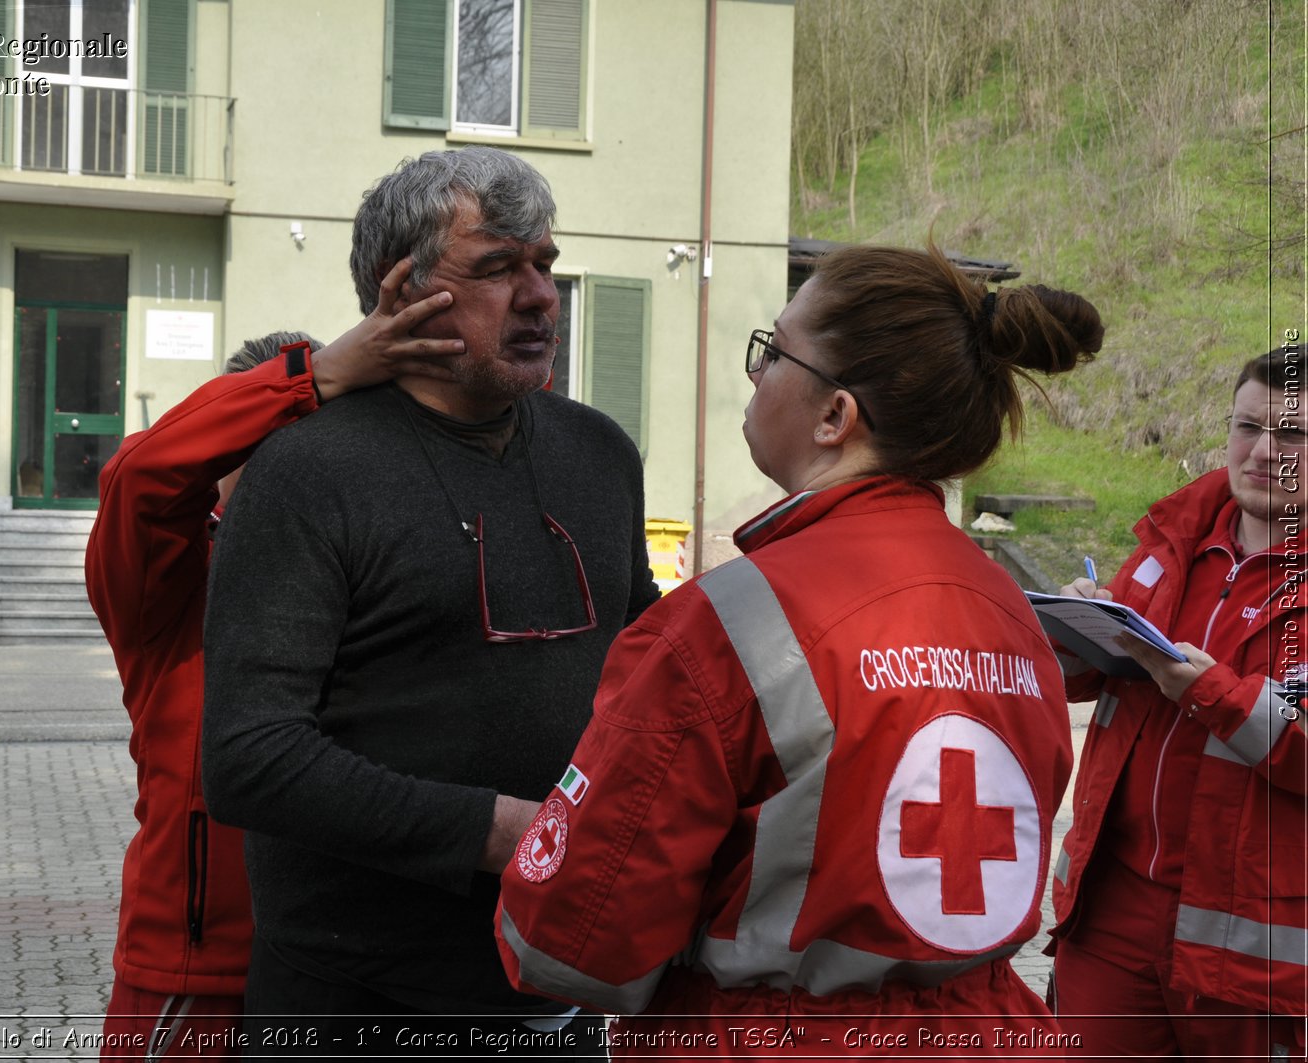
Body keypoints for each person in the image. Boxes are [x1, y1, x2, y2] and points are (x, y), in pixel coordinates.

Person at [496, 243, 1103, 1056]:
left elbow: (574, 937)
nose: (755, 374)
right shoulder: (1012, 612)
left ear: (835, 417)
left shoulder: (726, 621)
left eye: (773, 350)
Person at [200, 146, 659, 1055]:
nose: (540, 297)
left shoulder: (601, 455)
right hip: (351, 1009)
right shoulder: (307, 470)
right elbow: (250, 757)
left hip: (560, 1000)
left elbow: (645, 674)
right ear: (403, 290)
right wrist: (507, 833)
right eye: (498, 268)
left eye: (546, 266)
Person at [85, 274, 461, 1058]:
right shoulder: (169, 588)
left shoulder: (361, 573)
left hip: (347, 971)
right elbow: (138, 478)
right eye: (257, 454)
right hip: (199, 975)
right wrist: (314, 381)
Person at [1046, 343, 1307, 1060]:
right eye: (1247, 426)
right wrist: (1073, 629)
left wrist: (1212, 694)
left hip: (1254, 941)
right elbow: (1098, 677)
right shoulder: (1173, 537)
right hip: (1111, 908)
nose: (1261, 450)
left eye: (1291, 434)